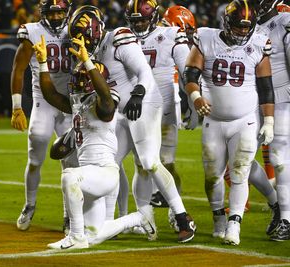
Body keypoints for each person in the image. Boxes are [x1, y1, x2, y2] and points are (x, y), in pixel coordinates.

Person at [69, 5, 196, 243]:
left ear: (95, 30)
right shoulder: (88, 54)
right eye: (77, 38)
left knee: (148, 161)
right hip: (119, 110)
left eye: (83, 36)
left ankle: (181, 216)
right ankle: (114, 221)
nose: (80, 42)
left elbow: (144, 72)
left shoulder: (118, 38)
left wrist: (138, 94)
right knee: (110, 163)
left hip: (145, 101)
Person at [33, 34, 156, 249]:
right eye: (78, 78)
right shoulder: (78, 105)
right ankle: (140, 218)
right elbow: (51, 95)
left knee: (69, 177)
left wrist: (88, 63)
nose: (79, 83)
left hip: (105, 173)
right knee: (96, 235)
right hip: (90, 176)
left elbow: (105, 97)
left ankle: (75, 237)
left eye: (84, 79)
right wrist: (43, 63)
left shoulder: (105, 103)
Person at [184, 0, 275, 245]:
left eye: (247, 28)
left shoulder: (259, 43)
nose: (243, 32)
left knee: (240, 172)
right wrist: (196, 96)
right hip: (213, 121)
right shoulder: (207, 38)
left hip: (245, 120)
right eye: (239, 27)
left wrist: (268, 120)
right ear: (227, 22)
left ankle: (234, 224)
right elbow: (190, 73)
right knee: (212, 176)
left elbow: (266, 86)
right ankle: (218, 219)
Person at [122, 1, 194, 235]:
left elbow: (186, 70)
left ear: (154, 17)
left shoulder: (171, 34)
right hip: (133, 109)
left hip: (162, 107)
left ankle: (176, 213)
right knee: (140, 165)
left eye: (144, 19)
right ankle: (145, 217)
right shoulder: (122, 37)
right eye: (136, 20)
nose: (140, 24)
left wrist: (193, 101)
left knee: (163, 161)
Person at [11, 0, 75, 232]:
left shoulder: (77, 27)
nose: (57, 17)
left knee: (72, 163)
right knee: (36, 155)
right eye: (52, 12)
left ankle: (69, 216)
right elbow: (18, 69)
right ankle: (29, 205)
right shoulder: (32, 31)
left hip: (70, 102)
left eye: (60, 12)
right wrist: (17, 107)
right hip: (43, 101)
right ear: (43, 13)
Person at [255, 0, 290, 241]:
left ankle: (287, 218)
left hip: (280, 97)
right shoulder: (242, 22)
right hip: (249, 99)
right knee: (238, 158)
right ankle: (276, 203)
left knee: (279, 158)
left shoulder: (284, 22)